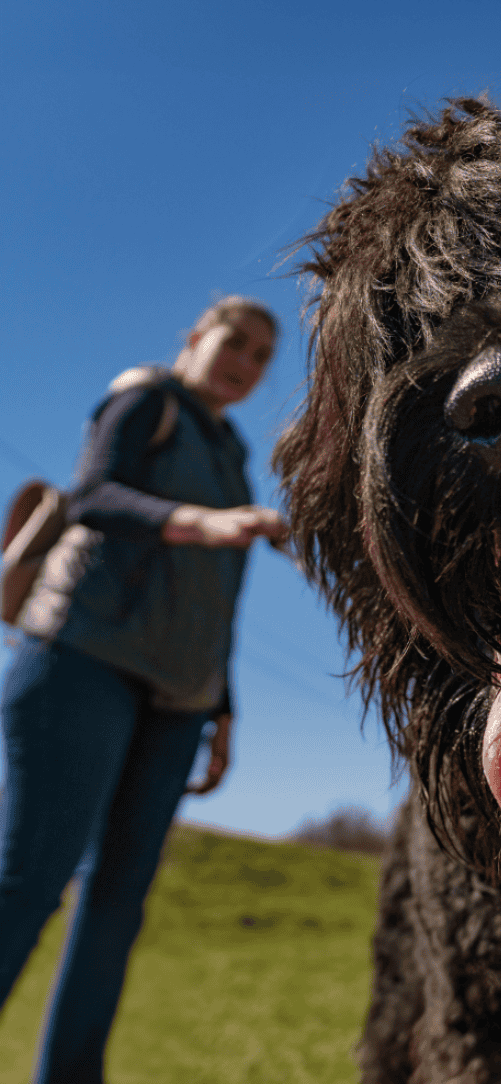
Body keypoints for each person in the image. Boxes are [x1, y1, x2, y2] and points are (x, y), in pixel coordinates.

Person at [0, 297, 286, 1083]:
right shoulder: (146, 399)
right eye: (236, 340)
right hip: (83, 662)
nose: (247, 361)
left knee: (118, 906)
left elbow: (214, 601)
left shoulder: (233, 455)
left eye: (264, 355)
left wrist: (221, 712)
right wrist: (204, 521)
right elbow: (95, 494)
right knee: (31, 880)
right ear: (197, 336)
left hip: (179, 702)